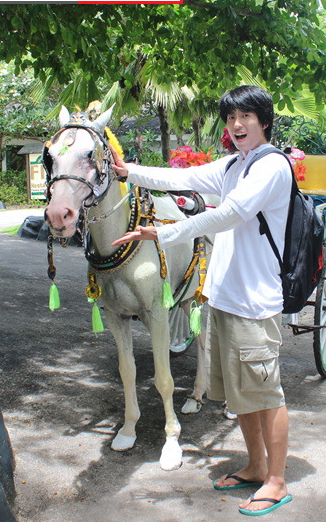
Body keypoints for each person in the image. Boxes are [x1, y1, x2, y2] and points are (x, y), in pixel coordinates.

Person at [110, 86, 293, 516]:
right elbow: (182, 179)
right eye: (231, 118)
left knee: (266, 393)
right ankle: (255, 465)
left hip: (255, 303)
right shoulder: (233, 165)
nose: (237, 125)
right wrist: (127, 171)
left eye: (246, 116)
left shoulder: (271, 167)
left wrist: (165, 233)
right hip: (225, 298)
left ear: (264, 121)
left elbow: (230, 214)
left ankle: (277, 481)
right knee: (240, 395)